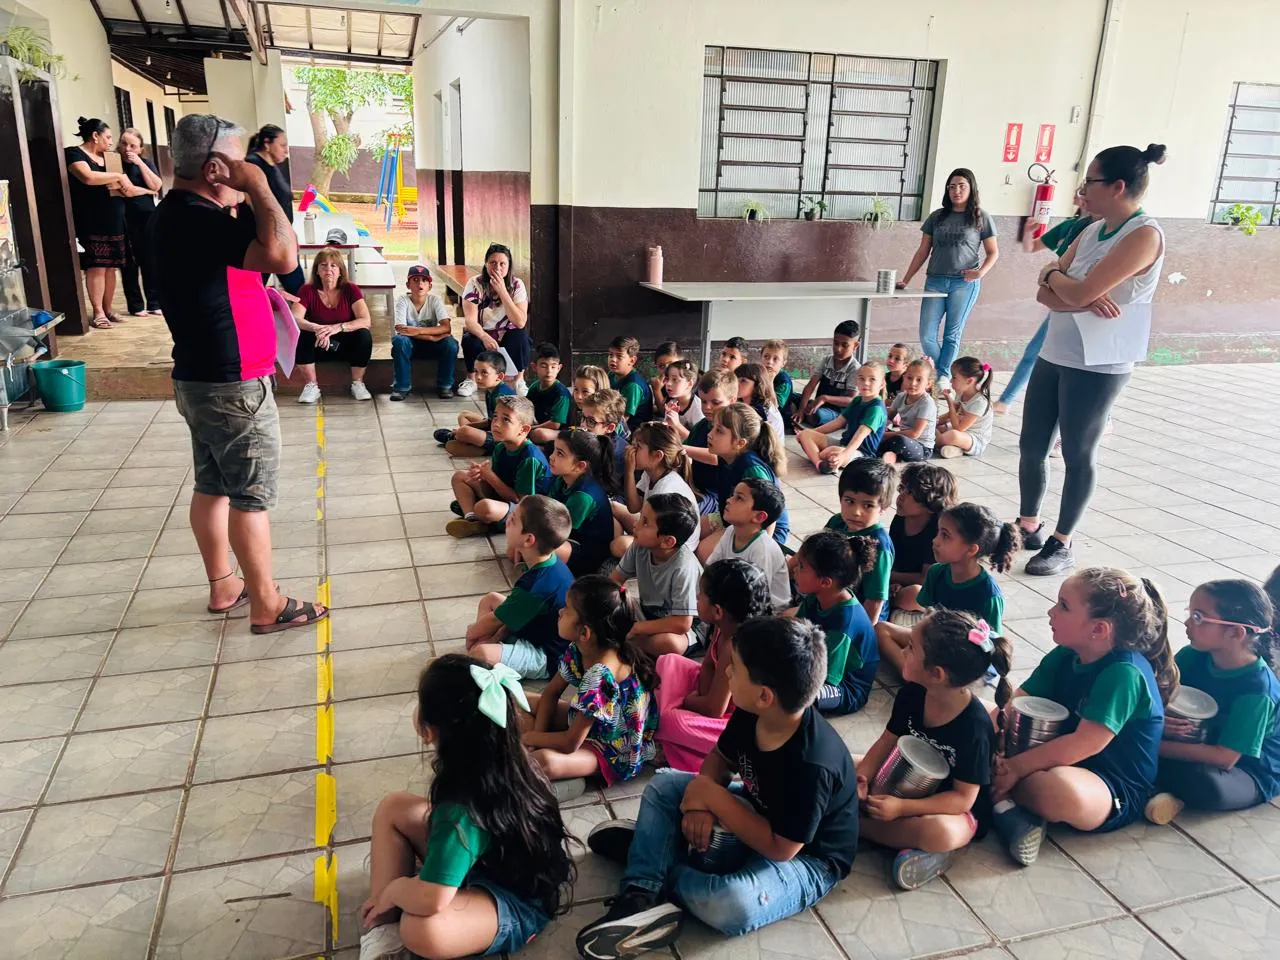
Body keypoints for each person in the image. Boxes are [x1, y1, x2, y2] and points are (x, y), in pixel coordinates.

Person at [575, 617, 858, 956]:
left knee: (731, 904)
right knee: (664, 785)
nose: (726, 672)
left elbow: (781, 848)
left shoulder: (813, 764)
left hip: (806, 858)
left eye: (734, 668)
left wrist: (712, 798)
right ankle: (641, 892)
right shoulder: (753, 712)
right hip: (757, 810)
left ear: (765, 695)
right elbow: (720, 759)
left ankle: (653, 854)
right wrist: (702, 800)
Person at [150, 113, 325, 635]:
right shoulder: (198, 219)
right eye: (237, 161)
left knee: (212, 486)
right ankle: (266, 603)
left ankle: (224, 584)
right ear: (214, 169)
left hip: (200, 376)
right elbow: (284, 255)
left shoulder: (172, 213)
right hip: (232, 384)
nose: (246, 168)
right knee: (250, 496)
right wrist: (258, 185)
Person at [357, 655, 574, 960]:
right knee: (394, 807)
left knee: (420, 928)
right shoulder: (505, 757)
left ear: (429, 731)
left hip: (516, 902)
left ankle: (389, 918)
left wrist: (395, 890)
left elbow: (432, 898)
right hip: (491, 861)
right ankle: (383, 931)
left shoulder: (461, 808)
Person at [1017, 144, 1168, 577]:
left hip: (1100, 362)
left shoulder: (1143, 235)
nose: (1082, 190)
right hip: (1057, 350)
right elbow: (1046, 293)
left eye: (1090, 182)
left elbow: (1075, 290)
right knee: (1032, 445)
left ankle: (1062, 541)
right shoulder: (1091, 229)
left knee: (1077, 452)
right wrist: (1061, 284)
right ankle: (1028, 524)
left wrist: (1061, 282)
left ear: (1118, 187)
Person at [992, 567, 1177, 866]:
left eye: (1063, 606)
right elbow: (1015, 704)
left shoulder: (1123, 673)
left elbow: (1083, 744)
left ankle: (999, 799)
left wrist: (1014, 767)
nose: (1051, 611)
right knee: (976, 713)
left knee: (1056, 791)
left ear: (1099, 629)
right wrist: (990, 736)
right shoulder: (1065, 654)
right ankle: (1004, 799)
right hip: (1055, 757)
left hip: (1109, 783)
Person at [859, 611, 1011, 890]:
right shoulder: (912, 693)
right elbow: (885, 743)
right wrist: (863, 777)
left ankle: (857, 827)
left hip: (950, 808)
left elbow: (962, 799)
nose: (902, 651)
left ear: (936, 674)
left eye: (911, 647)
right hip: (905, 779)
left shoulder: (975, 728)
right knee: (846, 764)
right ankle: (905, 842)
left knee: (939, 833)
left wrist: (902, 807)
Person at [1146, 579, 1280, 823]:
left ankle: (1171, 793)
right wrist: (1161, 719)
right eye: (1190, 614)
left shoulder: (1258, 690)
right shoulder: (1192, 655)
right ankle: (1167, 791)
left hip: (1246, 770)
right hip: (1195, 744)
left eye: (1198, 617)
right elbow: (1158, 695)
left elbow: (1225, 758)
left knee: (1208, 785)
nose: (1187, 623)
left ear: (1236, 633)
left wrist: (1152, 743)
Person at [524, 575, 659, 803]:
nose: (560, 612)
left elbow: (570, 743)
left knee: (542, 761)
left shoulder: (600, 675)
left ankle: (569, 783)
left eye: (567, 610)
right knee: (520, 700)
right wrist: (537, 737)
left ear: (585, 632)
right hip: (591, 724)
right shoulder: (580, 648)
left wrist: (531, 737)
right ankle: (554, 765)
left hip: (612, 750)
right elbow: (551, 693)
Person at [654, 559, 773, 773]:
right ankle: (673, 735)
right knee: (669, 661)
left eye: (700, 595)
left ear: (718, 611)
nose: (696, 598)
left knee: (672, 721)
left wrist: (689, 701)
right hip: (717, 699)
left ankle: (679, 741)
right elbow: (708, 666)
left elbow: (714, 710)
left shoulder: (733, 646)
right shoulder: (722, 626)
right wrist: (701, 694)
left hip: (736, 724)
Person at [878, 502, 1019, 674]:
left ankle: (920, 675)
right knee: (881, 630)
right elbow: (927, 617)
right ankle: (915, 673)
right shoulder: (936, 572)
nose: (935, 540)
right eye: (938, 532)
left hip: (962, 660)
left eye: (945, 535)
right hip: (935, 643)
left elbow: (991, 646)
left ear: (971, 550)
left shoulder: (989, 595)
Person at [897, 168, 1000, 390]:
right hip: (935, 280)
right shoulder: (937, 217)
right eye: (952, 187)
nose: (956, 191)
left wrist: (980, 272)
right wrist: (906, 279)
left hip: (964, 283)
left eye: (962, 186)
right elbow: (923, 250)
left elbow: (993, 252)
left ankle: (943, 376)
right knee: (926, 334)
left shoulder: (981, 217)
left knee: (952, 334)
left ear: (971, 188)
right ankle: (942, 372)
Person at [994, 200, 1096, 413]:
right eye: (1083, 188)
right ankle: (1005, 401)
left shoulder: (1105, 229)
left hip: (1086, 303)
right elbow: (1032, 247)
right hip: (1062, 301)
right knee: (1034, 351)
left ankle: (1103, 417)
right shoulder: (1071, 226)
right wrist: (1028, 232)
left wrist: (1052, 277)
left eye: (1088, 187)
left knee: (1087, 363)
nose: (1082, 194)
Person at [464, 496, 574, 679]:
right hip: (534, 628)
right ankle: (488, 650)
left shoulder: (537, 586)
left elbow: (496, 620)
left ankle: (483, 656)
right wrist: (491, 634)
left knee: (481, 653)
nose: (507, 520)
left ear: (529, 539)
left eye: (513, 520)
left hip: (547, 654)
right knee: (491, 599)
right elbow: (510, 614)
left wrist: (473, 632)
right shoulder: (548, 562)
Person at [790, 530, 879, 715]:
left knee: (796, 696)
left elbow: (826, 678)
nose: (795, 570)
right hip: (815, 661)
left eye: (801, 567)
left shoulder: (845, 621)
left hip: (845, 688)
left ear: (825, 582)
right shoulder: (815, 597)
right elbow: (796, 631)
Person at [65, 117, 141, 328]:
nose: (110, 141)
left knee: (111, 267)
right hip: (91, 219)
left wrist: (123, 181)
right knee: (97, 266)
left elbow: (125, 187)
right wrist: (117, 176)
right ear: (95, 136)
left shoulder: (110, 157)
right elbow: (88, 178)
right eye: (107, 137)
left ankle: (108, 309)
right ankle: (98, 312)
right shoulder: (74, 154)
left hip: (115, 217)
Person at [447, 395, 550, 538]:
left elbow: (520, 501)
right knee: (460, 476)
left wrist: (490, 476)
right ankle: (471, 519)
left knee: (485, 507)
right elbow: (493, 489)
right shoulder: (500, 447)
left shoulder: (530, 457)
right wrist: (482, 477)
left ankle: (484, 518)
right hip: (506, 497)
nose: (496, 424)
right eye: (495, 417)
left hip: (530, 512)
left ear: (523, 429)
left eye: (506, 420)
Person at [612, 495, 702, 657]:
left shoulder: (683, 567)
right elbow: (614, 580)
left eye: (645, 522)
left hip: (685, 628)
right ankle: (633, 640)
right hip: (648, 612)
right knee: (611, 599)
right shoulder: (639, 546)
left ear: (667, 542)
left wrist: (638, 628)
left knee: (669, 643)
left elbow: (682, 623)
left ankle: (631, 643)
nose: (636, 524)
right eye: (641, 517)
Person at [289, 248, 374, 402]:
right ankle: (311, 386)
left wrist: (337, 327)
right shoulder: (307, 290)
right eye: (323, 265)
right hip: (319, 343)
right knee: (301, 333)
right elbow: (295, 318)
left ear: (341, 271)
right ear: (317, 270)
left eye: (333, 265)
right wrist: (317, 328)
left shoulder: (350, 289)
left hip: (343, 346)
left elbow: (365, 320)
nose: (328, 269)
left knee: (363, 335)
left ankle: (358, 383)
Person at [705, 403, 789, 549]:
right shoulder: (725, 457)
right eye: (713, 427)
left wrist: (760, 549)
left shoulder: (751, 468)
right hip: (734, 520)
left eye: (719, 431)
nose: (710, 434)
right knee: (690, 530)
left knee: (703, 550)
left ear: (740, 443)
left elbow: (770, 515)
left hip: (759, 531)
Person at [823, 459, 897, 624]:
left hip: (858, 618)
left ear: (883, 508)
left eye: (868, 505)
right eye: (849, 501)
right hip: (832, 601)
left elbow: (875, 601)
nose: (856, 512)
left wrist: (860, 633)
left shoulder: (879, 545)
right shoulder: (836, 522)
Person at [612, 421, 699, 558]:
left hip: (671, 549)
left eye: (638, 446)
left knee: (619, 545)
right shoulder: (650, 473)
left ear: (657, 456)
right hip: (654, 527)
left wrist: (637, 530)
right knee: (612, 506)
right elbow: (633, 507)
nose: (630, 449)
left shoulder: (666, 490)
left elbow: (659, 538)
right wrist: (629, 471)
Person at [704, 478, 791, 613]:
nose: (729, 500)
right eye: (733, 495)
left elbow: (756, 597)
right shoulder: (731, 531)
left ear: (759, 517)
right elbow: (711, 567)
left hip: (766, 614)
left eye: (739, 498)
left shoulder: (762, 550)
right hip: (736, 601)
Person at [460, 243, 529, 396]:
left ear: (509, 266)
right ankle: (471, 379)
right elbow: (470, 321)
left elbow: (520, 321)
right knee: (469, 338)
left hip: (507, 333)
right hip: (483, 333)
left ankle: (519, 379)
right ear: (486, 264)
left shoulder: (517, 285)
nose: (497, 268)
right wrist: (484, 336)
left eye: (502, 263)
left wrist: (502, 291)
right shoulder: (474, 284)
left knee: (521, 336)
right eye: (493, 263)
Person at [244, 123, 305, 295]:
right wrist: (274, 234)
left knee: (258, 287)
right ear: (267, 143)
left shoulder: (272, 166)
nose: (286, 151)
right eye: (282, 145)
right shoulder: (253, 165)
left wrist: (290, 232)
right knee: (298, 289)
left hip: (280, 237)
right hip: (268, 240)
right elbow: (250, 203)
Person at [796, 362, 887, 474]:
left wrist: (844, 455)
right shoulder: (857, 400)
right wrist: (811, 433)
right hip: (843, 444)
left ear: (882, 383)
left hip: (861, 454)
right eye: (861, 378)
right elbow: (838, 422)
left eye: (872, 379)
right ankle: (820, 464)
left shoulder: (876, 408)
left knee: (830, 452)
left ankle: (826, 460)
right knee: (805, 434)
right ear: (856, 380)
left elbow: (860, 436)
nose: (866, 383)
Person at [889, 464, 959, 610]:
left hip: (931, 589)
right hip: (902, 581)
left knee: (914, 594)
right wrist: (895, 582)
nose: (901, 496)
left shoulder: (938, 530)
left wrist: (888, 575)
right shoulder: (901, 518)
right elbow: (893, 557)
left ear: (930, 503)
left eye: (910, 493)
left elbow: (926, 578)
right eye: (902, 489)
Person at [548, 429, 617, 576]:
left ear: (580, 466)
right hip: (570, 538)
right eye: (554, 450)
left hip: (588, 557)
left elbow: (561, 532)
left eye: (560, 454)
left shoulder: (583, 496)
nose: (551, 457)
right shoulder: (562, 479)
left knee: (536, 545)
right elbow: (548, 508)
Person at [391, 264, 460, 400]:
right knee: (399, 341)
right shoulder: (403, 300)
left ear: (430, 286)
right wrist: (430, 337)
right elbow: (401, 329)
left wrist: (416, 331)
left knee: (451, 344)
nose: (420, 284)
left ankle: (445, 385)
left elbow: (446, 327)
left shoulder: (434, 300)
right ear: (408, 284)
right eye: (415, 280)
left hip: (430, 346)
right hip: (411, 345)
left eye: (424, 280)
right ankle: (401, 387)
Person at [117, 128, 163, 318]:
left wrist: (140, 164)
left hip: (147, 216)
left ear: (140, 148)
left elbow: (157, 185)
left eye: (132, 145)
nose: (127, 149)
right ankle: (135, 305)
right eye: (124, 144)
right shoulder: (114, 164)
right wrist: (146, 191)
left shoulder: (146, 163)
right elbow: (126, 190)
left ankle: (154, 302)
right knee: (129, 262)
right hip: (125, 216)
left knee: (150, 259)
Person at [434, 352, 515, 457]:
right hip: (494, 428)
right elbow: (490, 421)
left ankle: (494, 451)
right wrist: (468, 428)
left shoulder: (501, 396)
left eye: (484, 373)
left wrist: (466, 430)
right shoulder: (491, 390)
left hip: (503, 439)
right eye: (476, 371)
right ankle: (461, 437)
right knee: (464, 415)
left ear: (499, 376)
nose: (478, 377)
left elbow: (502, 429)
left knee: (452, 446)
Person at [683, 368, 737, 516]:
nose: (707, 407)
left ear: (732, 400)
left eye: (715, 402)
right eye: (703, 401)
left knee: (683, 517)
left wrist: (681, 448)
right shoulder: (701, 426)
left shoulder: (735, 429)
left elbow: (717, 458)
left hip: (718, 497)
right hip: (698, 489)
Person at [792, 320, 860, 428]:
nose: (838, 349)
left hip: (837, 412)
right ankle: (803, 411)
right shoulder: (827, 360)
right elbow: (810, 386)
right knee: (790, 395)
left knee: (818, 416)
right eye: (836, 343)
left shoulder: (854, 368)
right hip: (818, 404)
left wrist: (825, 398)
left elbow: (851, 400)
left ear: (855, 345)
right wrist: (801, 409)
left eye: (844, 345)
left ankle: (836, 421)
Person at [879, 358, 937, 464]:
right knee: (872, 431)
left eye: (919, 380)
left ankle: (885, 453)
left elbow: (915, 434)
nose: (913, 383)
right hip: (902, 436)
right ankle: (890, 454)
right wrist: (877, 427)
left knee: (899, 441)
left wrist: (884, 435)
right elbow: (887, 417)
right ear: (904, 377)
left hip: (921, 447)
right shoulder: (901, 397)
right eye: (909, 378)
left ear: (928, 384)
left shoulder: (927, 403)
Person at [935, 357, 995, 459]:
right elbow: (953, 414)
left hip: (974, 440)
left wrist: (950, 404)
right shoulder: (961, 392)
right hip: (961, 432)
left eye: (954, 377)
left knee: (953, 435)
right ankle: (955, 449)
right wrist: (935, 421)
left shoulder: (980, 402)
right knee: (940, 428)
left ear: (969, 381)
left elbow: (958, 428)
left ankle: (932, 441)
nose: (950, 380)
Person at [526, 343, 573, 441]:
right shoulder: (534, 387)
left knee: (540, 434)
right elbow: (526, 408)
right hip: (538, 425)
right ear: (534, 367)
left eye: (553, 367)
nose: (549, 371)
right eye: (544, 366)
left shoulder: (561, 393)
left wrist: (531, 428)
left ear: (559, 368)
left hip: (560, 432)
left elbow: (555, 424)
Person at [607, 336, 655, 430]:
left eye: (619, 356)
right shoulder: (611, 375)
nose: (613, 359)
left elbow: (623, 419)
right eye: (610, 355)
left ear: (632, 360)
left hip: (633, 431)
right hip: (613, 419)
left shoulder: (633, 385)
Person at [734, 362, 785, 443]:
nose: (736, 384)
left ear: (757, 384)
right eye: (735, 379)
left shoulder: (762, 411)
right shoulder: (742, 402)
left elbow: (757, 440)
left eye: (743, 381)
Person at [660, 360, 702, 436]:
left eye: (674, 379)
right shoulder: (671, 402)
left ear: (689, 384)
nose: (668, 383)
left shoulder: (698, 408)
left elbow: (698, 440)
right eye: (667, 379)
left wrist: (677, 424)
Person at [760, 340, 794, 426]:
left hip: (778, 420)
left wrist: (770, 381)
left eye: (775, 359)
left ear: (783, 363)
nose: (769, 362)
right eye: (766, 356)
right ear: (761, 357)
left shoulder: (784, 381)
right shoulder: (759, 374)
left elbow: (775, 407)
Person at [570, 365, 610, 429]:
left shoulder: (609, 418)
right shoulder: (575, 410)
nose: (578, 396)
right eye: (576, 389)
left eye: (585, 391)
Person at [650, 341, 684, 407]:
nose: (666, 370)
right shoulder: (661, 383)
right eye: (661, 366)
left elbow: (665, 411)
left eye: (672, 365)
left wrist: (657, 391)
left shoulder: (685, 384)